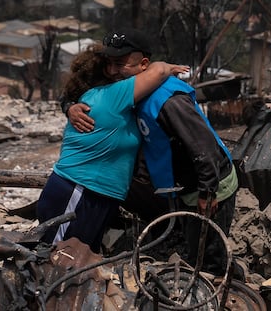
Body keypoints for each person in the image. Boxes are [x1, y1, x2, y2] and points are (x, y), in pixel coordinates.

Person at [64, 28, 238, 276]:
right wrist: (69, 107)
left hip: (210, 184)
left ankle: (232, 291)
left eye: (121, 64)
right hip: (183, 184)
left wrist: (207, 192)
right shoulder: (131, 88)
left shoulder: (168, 100)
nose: (113, 72)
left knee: (209, 257)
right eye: (110, 64)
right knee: (196, 248)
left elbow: (203, 146)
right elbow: (75, 89)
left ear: (143, 65)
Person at [37, 41, 189, 254]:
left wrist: (68, 106)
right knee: (56, 260)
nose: (117, 70)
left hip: (96, 195)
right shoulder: (110, 96)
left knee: (78, 263)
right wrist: (168, 66)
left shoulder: (105, 99)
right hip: (79, 192)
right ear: (103, 71)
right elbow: (159, 71)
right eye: (113, 65)